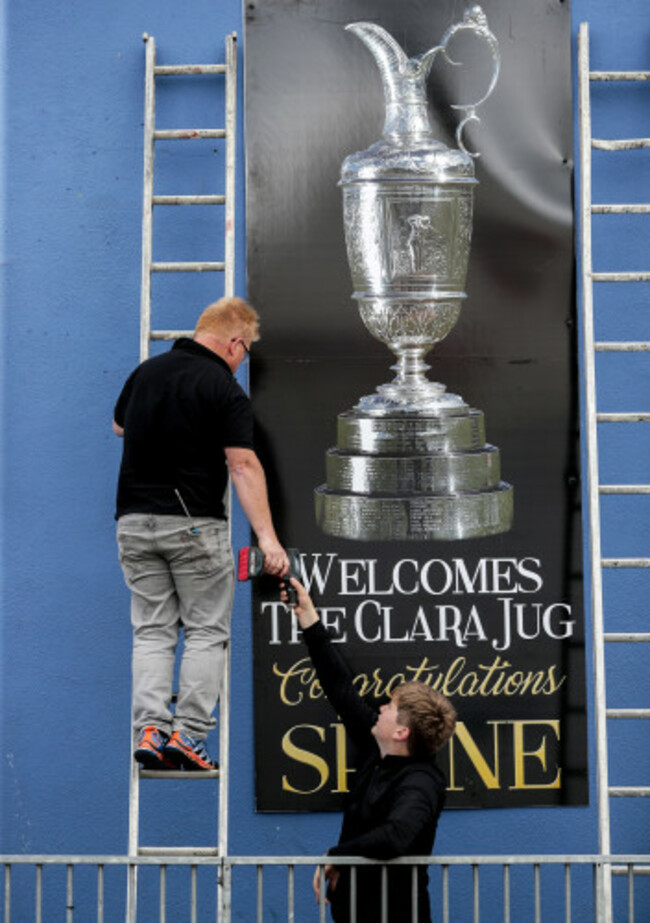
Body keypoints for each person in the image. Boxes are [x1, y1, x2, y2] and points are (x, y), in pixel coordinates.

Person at [113, 296, 288, 771]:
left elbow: (119, 426)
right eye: (246, 350)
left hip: (132, 522)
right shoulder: (222, 388)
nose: (242, 358)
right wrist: (268, 539)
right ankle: (187, 736)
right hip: (193, 523)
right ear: (235, 343)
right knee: (206, 633)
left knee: (151, 632)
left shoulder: (146, 372)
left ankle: (150, 728)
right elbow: (243, 465)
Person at [282, 577, 456, 923]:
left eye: (389, 707)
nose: (379, 708)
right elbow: (339, 687)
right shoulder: (377, 749)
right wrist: (307, 616)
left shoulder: (422, 782)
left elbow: (396, 836)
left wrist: (337, 854)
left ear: (402, 731)